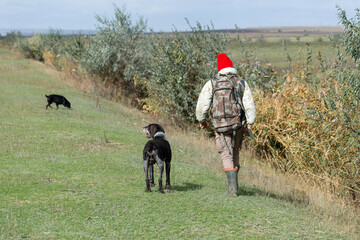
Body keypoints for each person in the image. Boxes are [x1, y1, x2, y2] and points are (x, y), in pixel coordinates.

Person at [196, 53, 256, 196]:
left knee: (225, 153)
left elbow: (202, 105)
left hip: (220, 125)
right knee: (235, 152)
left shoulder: (212, 83)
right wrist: (250, 123)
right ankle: (234, 187)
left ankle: (232, 190)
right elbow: (249, 105)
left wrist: (202, 120)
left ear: (220, 69)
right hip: (238, 124)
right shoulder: (241, 83)